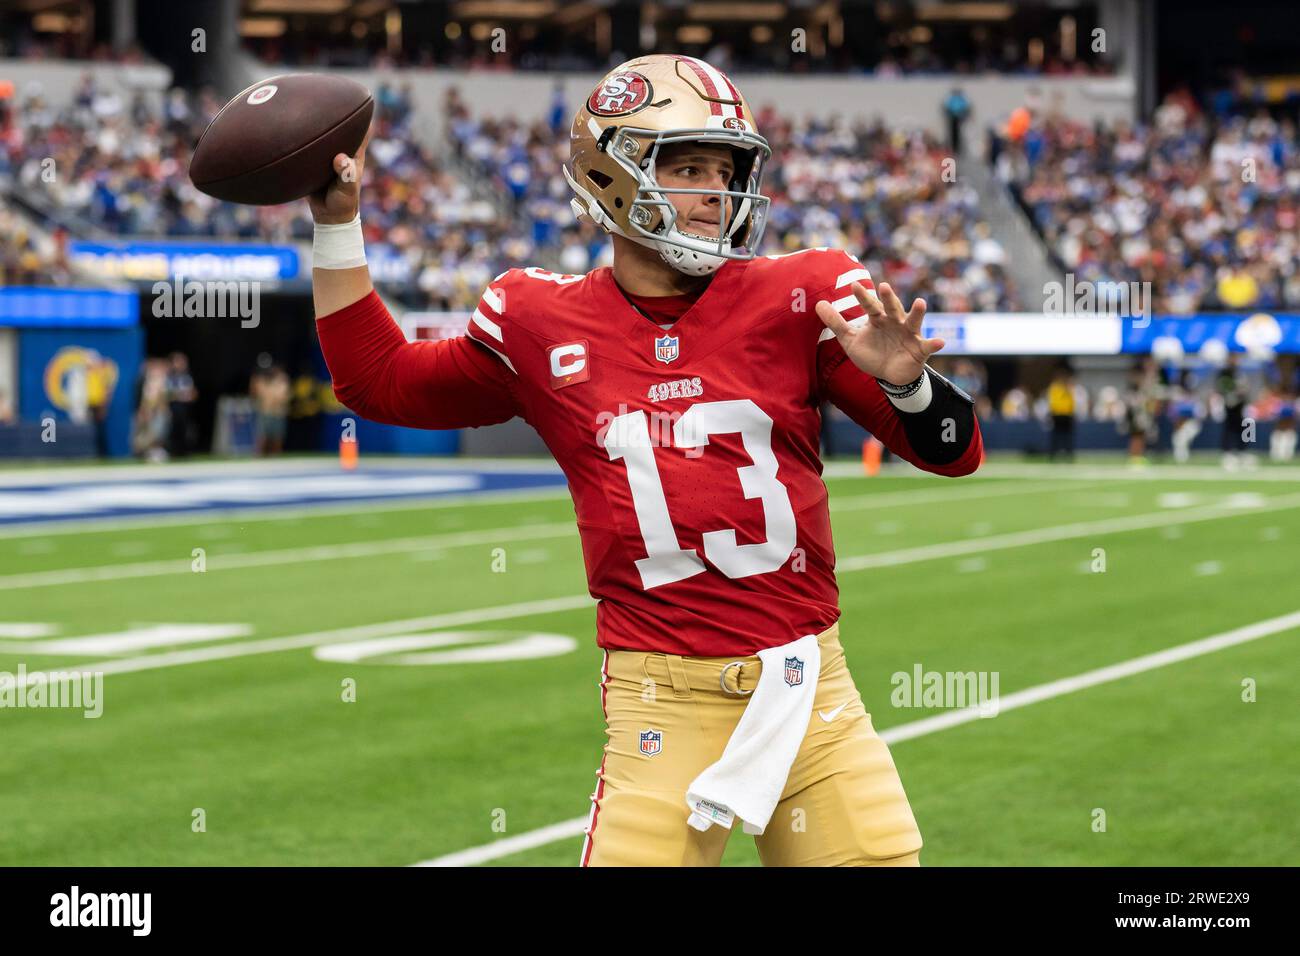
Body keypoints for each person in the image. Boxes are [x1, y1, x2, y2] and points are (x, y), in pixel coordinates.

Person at [309, 55, 983, 867]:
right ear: (612, 173)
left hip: (810, 693)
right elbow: (377, 380)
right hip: (659, 702)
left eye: (725, 169)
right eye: (687, 166)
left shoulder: (804, 293)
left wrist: (909, 385)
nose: (713, 193)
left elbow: (954, 454)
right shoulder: (538, 320)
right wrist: (337, 223)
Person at [249, 353, 291, 457]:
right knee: (262, 438)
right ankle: (259, 459)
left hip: (278, 412)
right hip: (265, 411)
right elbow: (254, 393)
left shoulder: (281, 378)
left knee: (277, 439)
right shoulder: (260, 378)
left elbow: (284, 396)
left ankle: (276, 460)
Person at [164, 352, 197, 458]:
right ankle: (173, 450)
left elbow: (192, 393)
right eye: (178, 362)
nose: (181, 364)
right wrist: (179, 395)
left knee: (185, 428)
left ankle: (184, 451)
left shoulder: (187, 377)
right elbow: (168, 394)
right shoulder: (169, 377)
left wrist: (187, 395)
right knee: (173, 428)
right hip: (173, 407)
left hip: (185, 407)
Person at [1046, 366, 1076, 461]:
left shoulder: (1069, 387)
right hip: (1057, 415)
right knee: (1056, 436)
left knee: (1068, 437)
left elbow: (1072, 401)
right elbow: (1053, 401)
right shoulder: (1054, 387)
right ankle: (1053, 454)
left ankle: (1068, 454)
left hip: (1067, 415)